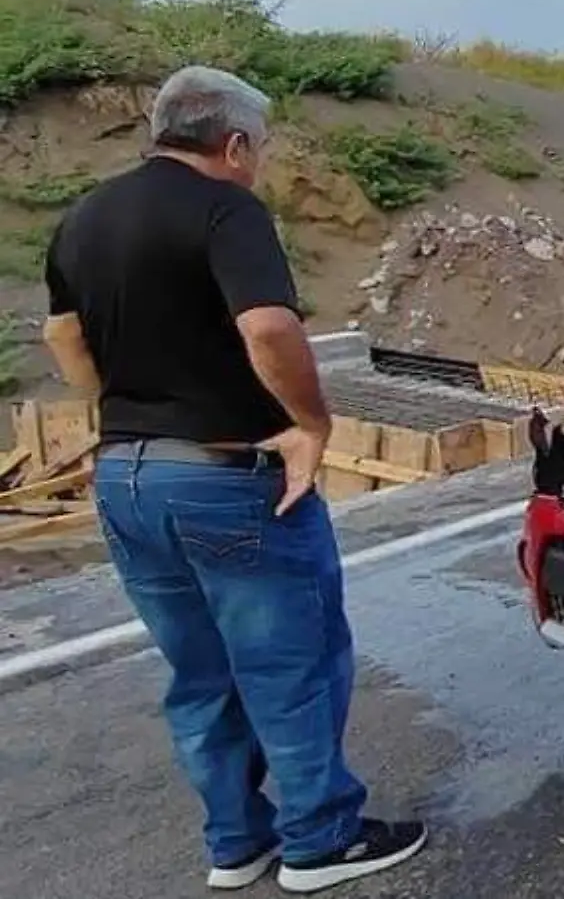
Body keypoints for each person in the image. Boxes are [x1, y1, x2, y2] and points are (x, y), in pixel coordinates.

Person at [41, 65, 427, 894]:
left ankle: (234, 844)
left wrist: (121, 406)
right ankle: (320, 840)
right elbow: (268, 326)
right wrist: (310, 426)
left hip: (126, 479)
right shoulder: (227, 209)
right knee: (292, 663)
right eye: (262, 148)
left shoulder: (85, 216)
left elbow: (63, 336)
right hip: (226, 476)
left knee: (199, 673)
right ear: (236, 142)